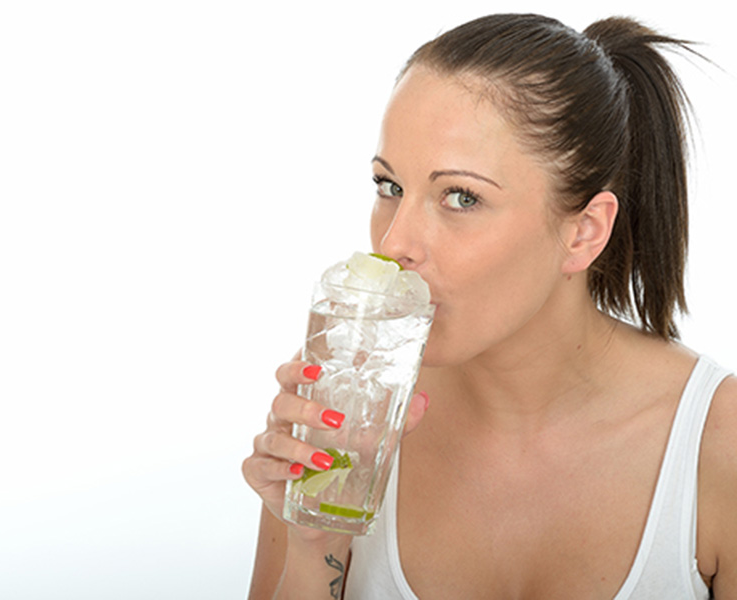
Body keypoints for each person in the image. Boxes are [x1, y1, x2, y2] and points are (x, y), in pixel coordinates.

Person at [242, 13, 737, 599]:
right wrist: (317, 539)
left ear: (583, 231)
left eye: (461, 196)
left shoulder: (717, 442)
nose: (395, 243)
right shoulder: (348, 415)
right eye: (389, 187)